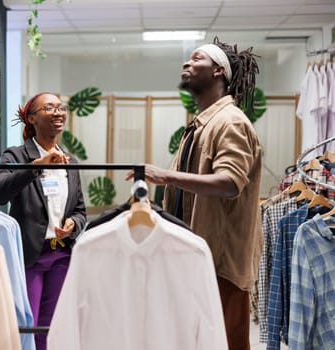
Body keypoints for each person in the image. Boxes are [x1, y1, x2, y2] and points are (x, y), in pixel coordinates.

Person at [127, 37, 262, 350]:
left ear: (218, 71)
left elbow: (229, 182)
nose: (186, 64)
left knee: (226, 343)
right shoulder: (202, 125)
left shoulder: (229, 122)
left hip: (221, 264)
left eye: (196, 58)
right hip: (198, 257)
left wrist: (166, 175)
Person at [0, 92, 87, 350]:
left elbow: (79, 210)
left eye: (60, 107)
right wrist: (36, 166)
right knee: (26, 323)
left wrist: (73, 226)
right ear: (32, 118)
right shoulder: (17, 156)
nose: (58, 112)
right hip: (29, 255)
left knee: (52, 325)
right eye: (49, 108)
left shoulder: (70, 161)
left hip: (61, 256)